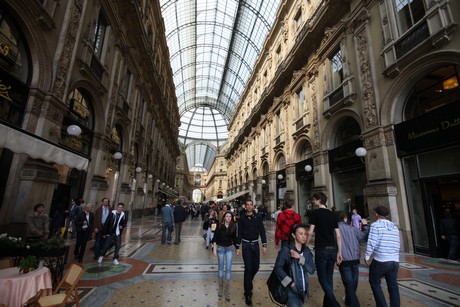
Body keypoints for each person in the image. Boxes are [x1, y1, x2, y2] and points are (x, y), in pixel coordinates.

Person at [306, 192, 342, 307]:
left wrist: (305, 244)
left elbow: (311, 231)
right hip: (333, 249)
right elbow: (338, 235)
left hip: (321, 249)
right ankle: (327, 304)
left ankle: (335, 304)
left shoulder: (315, 213)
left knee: (322, 278)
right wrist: (339, 252)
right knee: (329, 277)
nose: (313, 201)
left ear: (318, 200)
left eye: (313, 199)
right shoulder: (333, 214)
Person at [365, 205, 400, 307]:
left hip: (381, 260)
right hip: (394, 261)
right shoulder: (394, 227)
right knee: (393, 286)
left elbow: (372, 242)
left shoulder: (375, 225)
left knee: (374, 282)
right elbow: (397, 243)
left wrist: (367, 256)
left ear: (376, 214)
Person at [235, 199, 267, 306]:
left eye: (250, 205)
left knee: (256, 267)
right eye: (247, 205)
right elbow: (239, 232)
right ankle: (248, 294)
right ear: (245, 207)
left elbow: (262, 230)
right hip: (246, 245)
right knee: (248, 268)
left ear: (253, 206)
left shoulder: (258, 217)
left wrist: (264, 245)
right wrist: (237, 246)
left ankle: (248, 280)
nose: (249, 207)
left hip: (255, 245)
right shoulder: (242, 218)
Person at [274, 224, 315, 307]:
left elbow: (312, 270)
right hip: (291, 290)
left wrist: (300, 258)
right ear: (293, 235)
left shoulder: (306, 251)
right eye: (300, 234)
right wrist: (290, 283)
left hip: (303, 290)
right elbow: (278, 268)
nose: (304, 236)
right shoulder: (286, 250)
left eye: (305, 234)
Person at [337, 211, 369, 307]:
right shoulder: (352, 228)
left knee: (348, 282)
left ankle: (351, 301)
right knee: (354, 281)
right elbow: (363, 236)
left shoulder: (335, 229)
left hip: (343, 258)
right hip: (355, 257)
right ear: (345, 218)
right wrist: (365, 226)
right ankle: (350, 300)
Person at [212, 211, 237, 301]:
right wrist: (214, 249)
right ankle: (220, 288)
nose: (228, 218)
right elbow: (215, 238)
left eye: (230, 216)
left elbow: (234, 239)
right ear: (224, 217)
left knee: (229, 269)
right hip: (220, 249)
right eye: (227, 216)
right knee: (221, 268)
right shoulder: (219, 226)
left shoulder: (233, 226)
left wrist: (237, 248)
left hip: (229, 248)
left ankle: (227, 290)